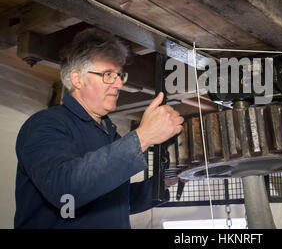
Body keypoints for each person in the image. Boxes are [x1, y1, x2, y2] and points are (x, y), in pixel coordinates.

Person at [14, 28, 184, 228]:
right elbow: (65, 191)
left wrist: (160, 183)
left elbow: (115, 203)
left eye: (120, 75)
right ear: (77, 79)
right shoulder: (44, 125)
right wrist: (142, 137)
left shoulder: (109, 133)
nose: (119, 84)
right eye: (108, 74)